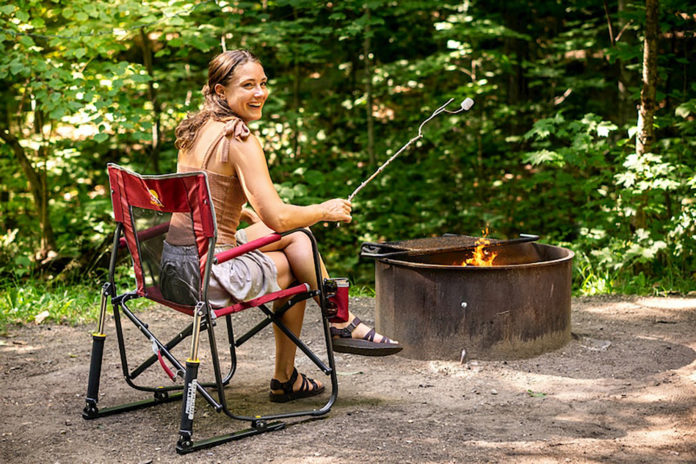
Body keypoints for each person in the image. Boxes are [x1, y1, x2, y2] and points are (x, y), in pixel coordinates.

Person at [161, 49, 400, 403]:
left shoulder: (196, 128)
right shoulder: (238, 139)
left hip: (171, 268)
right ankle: (312, 350)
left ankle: (337, 325)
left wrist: (237, 212)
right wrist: (324, 209)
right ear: (220, 91)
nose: (259, 93)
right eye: (248, 85)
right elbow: (277, 217)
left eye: (263, 84)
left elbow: (201, 194)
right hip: (207, 273)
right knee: (297, 259)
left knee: (298, 240)